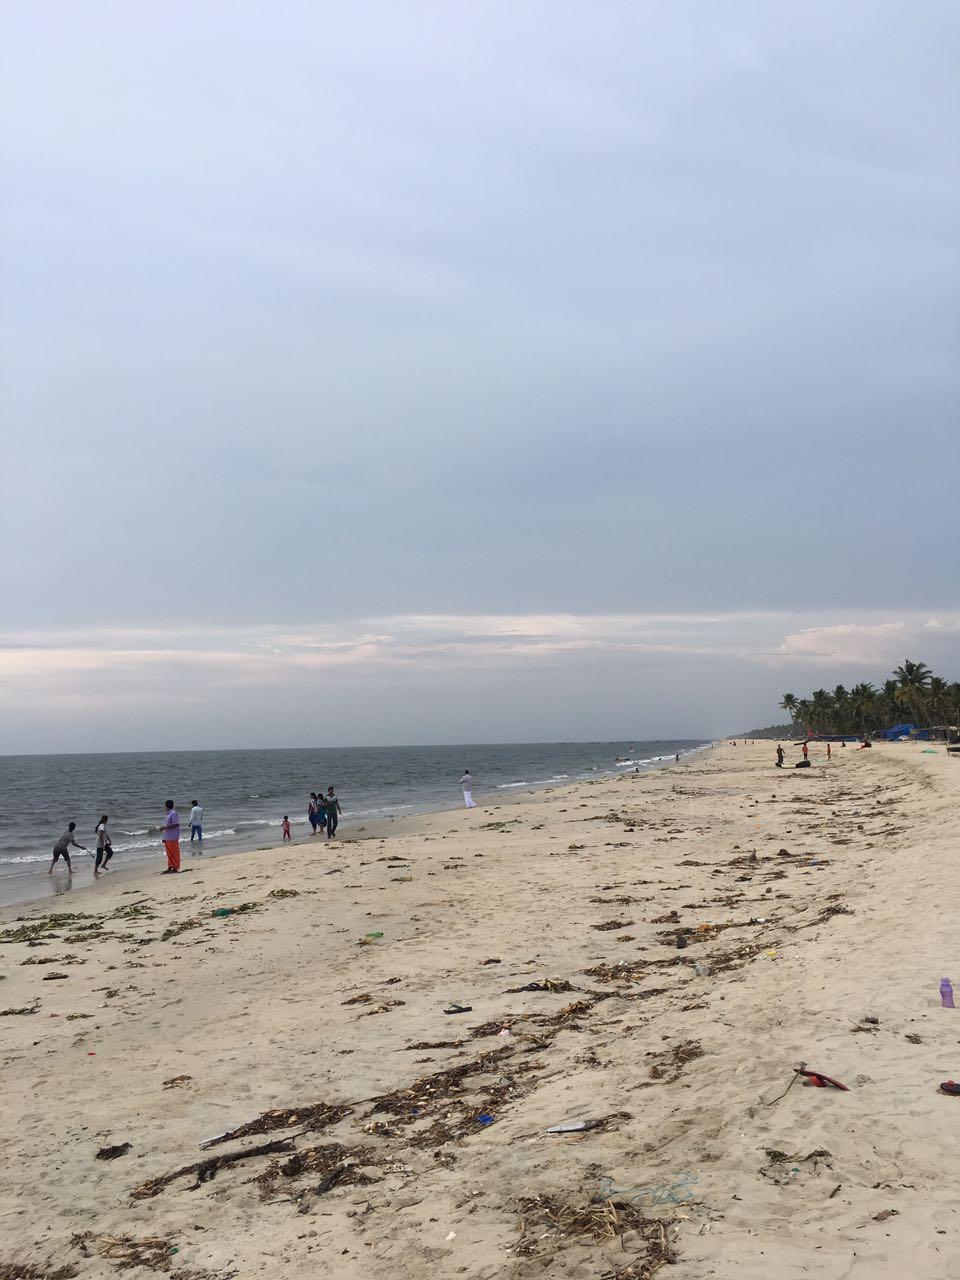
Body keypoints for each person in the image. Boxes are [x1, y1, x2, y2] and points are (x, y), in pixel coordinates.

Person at [160, 800, 181, 874]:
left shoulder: (173, 813)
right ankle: (170, 867)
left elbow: (176, 824)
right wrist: (164, 837)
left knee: (174, 853)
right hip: (168, 837)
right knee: (169, 853)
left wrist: (164, 827)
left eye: (165, 806)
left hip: (173, 837)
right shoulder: (168, 814)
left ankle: (175, 867)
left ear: (167, 806)